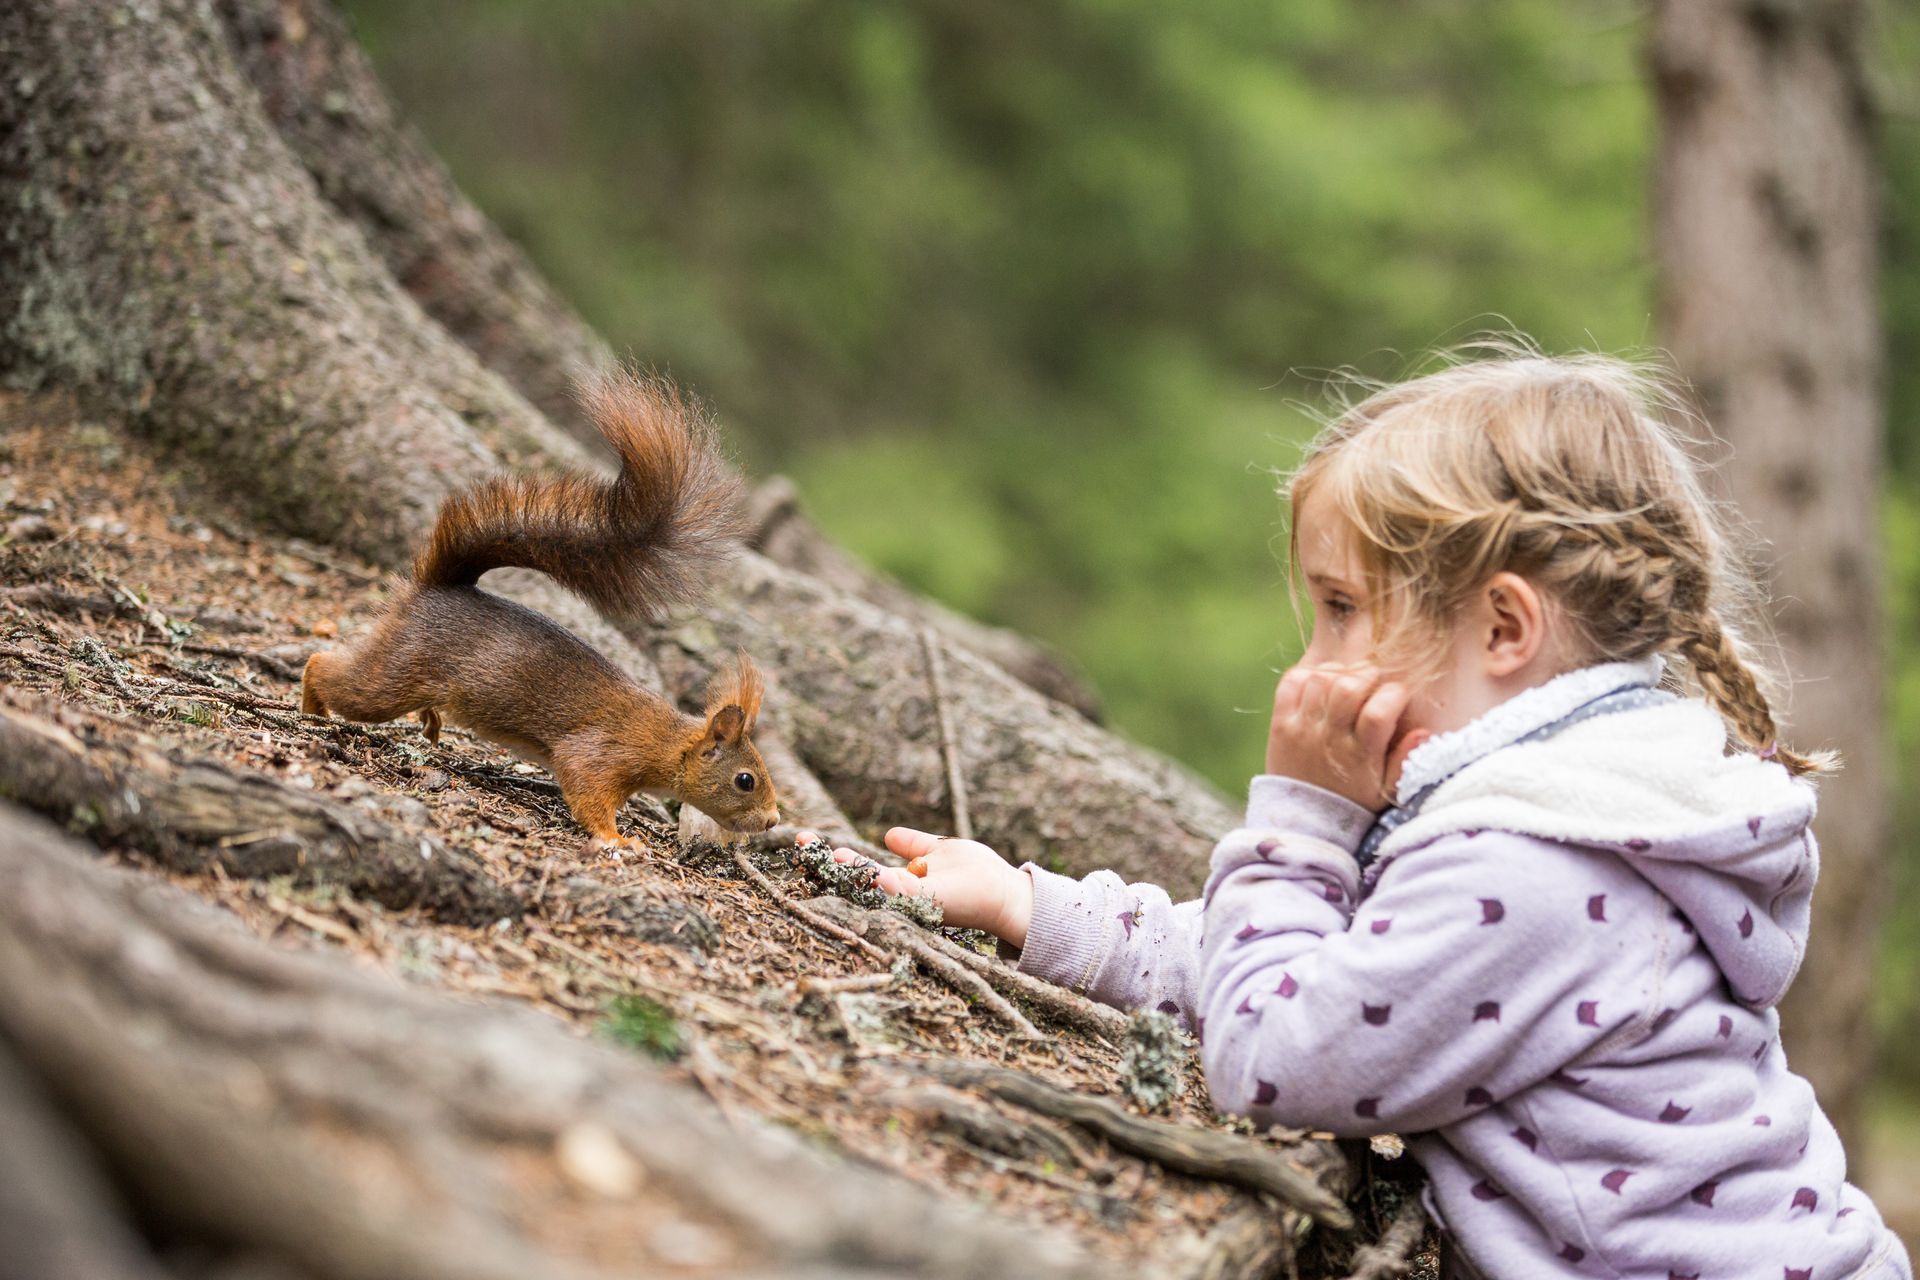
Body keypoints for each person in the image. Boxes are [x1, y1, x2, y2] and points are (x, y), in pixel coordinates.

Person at [826, 351, 1912, 1279]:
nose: (1310, 663)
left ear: (1502, 628)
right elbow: (1310, 973)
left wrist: (1301, 818)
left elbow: (1277, 1050)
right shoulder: (1579, 803)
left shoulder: (1534, 867)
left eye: (1342, 610)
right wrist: (1034, 906)